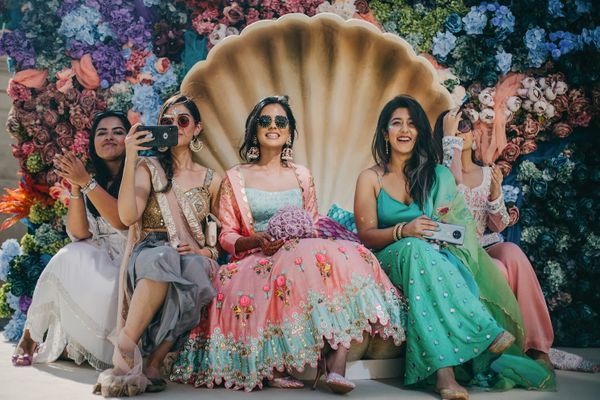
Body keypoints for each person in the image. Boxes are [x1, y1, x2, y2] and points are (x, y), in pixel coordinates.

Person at [170, 95, 406, 393]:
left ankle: (336, 361)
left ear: (289, 132)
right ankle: (276, 363)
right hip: (255, 259)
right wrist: (254, 239)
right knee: (301, 261)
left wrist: (304, 240)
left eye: (280, 121)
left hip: (301, 255)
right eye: (264, 121)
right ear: (254, 130)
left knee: (346, 255)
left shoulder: (302, 175)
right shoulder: (236, 176)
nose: (273, 126)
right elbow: (226, 234)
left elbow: (313, 223)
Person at [354, 95, 554, 400]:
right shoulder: (370, 178)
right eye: (396, 123)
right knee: (413, 248)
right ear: (385, 132)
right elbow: (367, 235)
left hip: (435, 256)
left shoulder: (437, 176)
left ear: (420, 132)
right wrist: (404, 230)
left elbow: (460, 230)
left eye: (411, 123)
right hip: (389, 255)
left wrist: (435, 232)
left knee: (428, 253)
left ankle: (446, 374)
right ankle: (478, 336)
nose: (404, 129)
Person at [94, 94, 220, 397]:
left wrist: (204, 252)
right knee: (164, 257)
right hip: (150, 249)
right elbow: (127, 216)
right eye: (167, 122)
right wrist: (131, 158)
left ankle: (154, 363)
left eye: (183, 121)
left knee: (196, 269)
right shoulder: (148, 168)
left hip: (191, 252)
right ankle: (125, 351)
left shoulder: (214, 179)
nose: (175, 126)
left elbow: (215, 233)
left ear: (197, 128)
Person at [433, 109, 554, 366]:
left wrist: (495, 194)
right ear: (445, 137)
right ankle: (501, 344)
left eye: (465, 126)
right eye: (455, 127)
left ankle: (538, 346)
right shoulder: (439, 173)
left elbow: (498, 224)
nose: (461, 132)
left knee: (512, 252)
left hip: (484, 244)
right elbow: (448, 191)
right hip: (455, 249)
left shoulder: (488, 173)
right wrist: (449, 140)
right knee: (498, 268)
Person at [11, 111, 130, 369]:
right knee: (70, 253)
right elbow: (79, 233)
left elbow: (122, 221)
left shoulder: (139, 174)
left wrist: (85, 182)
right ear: (92, 143)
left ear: (129, 139)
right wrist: (76, 186)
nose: (109, 137)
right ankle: (29, 336)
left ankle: (86, 345)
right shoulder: (92, 181)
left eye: (118, 132)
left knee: (107, 283)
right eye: (102, 133)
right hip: (100, 256)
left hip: (130, 258)